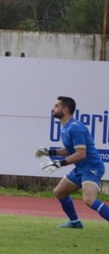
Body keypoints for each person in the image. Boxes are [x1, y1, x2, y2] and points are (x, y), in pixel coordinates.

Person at [36, 96, 109, 229]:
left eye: (56, 106)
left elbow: (81, 153)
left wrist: (60, 163)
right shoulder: (66, 127)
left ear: (65, 109)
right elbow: (70, 150)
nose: (53, 108)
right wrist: (49, 152)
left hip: (92, 167)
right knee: (59, 192)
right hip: (81, 168)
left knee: (89, 199)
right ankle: (75, 222)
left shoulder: (75, 128)